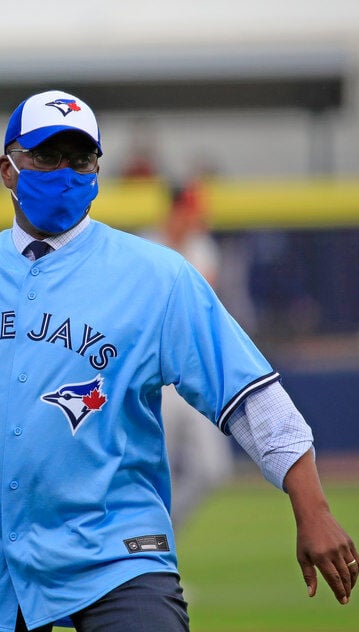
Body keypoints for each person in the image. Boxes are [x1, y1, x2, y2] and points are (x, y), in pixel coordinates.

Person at [0, 78, 359, 632]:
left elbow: (249, 393)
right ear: (8, 169)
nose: (65, 171)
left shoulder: (153, 277)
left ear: (98, 173)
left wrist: (312, 507)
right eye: (47, 156)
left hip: (119, 556)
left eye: (80, 159)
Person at [146, 166, 235, 531]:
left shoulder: (202, 248)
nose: (199, 217)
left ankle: (161, 535)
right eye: (192, 209)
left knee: (215, 471)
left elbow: (200, 312)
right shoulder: (145, 246)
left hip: (193, 373)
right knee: (154, 476)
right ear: (176, 210)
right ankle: (149, 566)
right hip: (154, 377)